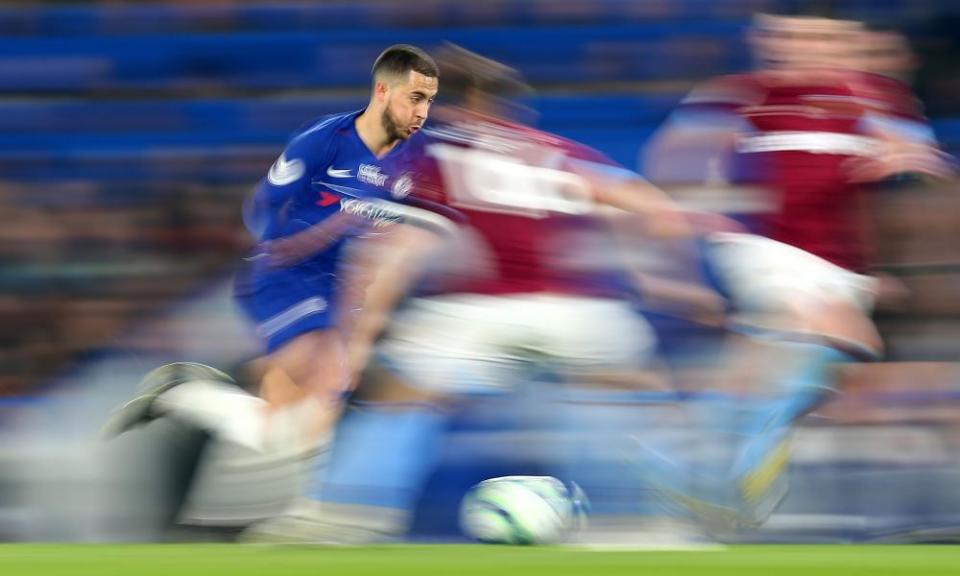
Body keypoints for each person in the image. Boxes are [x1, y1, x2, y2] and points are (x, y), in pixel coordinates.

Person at [241, 45, 717, 544]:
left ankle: (348, 512)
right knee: (629, 391)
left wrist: (356, 343)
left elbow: (398, 253)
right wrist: (669, 281)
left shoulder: (433, 153)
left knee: (402, 394)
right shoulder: (560, 151)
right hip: (579, 312)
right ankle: (648, 521)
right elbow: (650, 207)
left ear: (461, 105)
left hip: (476, 311)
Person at [642, 10, 953, 531]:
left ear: (844, 43)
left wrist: (909, 158)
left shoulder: (877, 97)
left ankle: (709, 464)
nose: (799, 48)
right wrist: (691, 203)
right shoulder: (740, 93)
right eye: (788, 36)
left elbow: (921, 157)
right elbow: (671, 153)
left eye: (817, 38)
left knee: (800, 365)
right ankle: (708, 464)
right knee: (820, 328)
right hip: (763, 249)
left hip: (843, 266)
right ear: (765, 39)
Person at [102, 45, 439, 483]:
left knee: (298, 427)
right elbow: (263, 206)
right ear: (382, 91)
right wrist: (301, 239)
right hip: (286, 276)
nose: (423, 112)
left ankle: (184, 394)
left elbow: (390, 235)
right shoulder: (326, 140)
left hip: (337, 288)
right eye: (415, 98)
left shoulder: (405, 167)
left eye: (429, 100)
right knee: (310, 378)